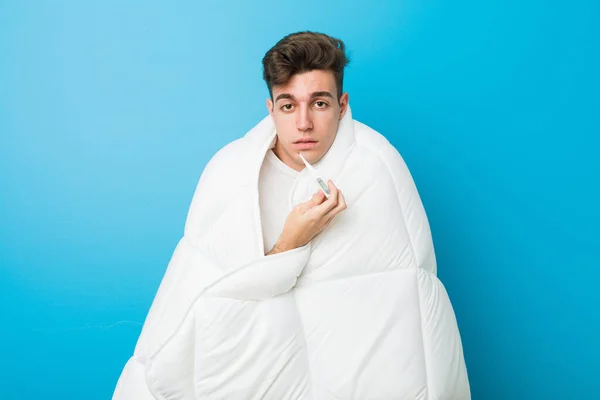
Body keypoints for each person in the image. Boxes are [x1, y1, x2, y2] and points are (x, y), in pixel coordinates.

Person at [113, 31, 470, 399]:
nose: (303, 124)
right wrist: (290, 245)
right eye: (288, 105)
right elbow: (197, 312)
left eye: (319, 104)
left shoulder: (378, 168)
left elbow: (411, 310)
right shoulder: (230, 175)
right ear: (270, 109)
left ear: (342, 104)